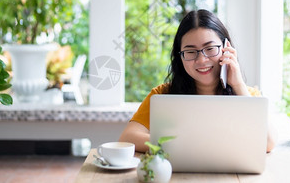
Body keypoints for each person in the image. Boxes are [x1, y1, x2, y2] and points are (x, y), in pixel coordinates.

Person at [119, 9, 277, 153]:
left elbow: (268, 142)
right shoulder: (162, 95)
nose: (202, 60)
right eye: (190, 51)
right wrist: (181, 144)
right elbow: (128, 138)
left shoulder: (247, 95)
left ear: (226, 48)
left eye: (210, 49)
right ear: (180, 56)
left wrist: (238, 84)